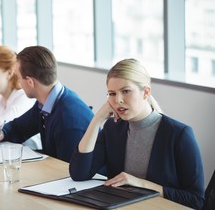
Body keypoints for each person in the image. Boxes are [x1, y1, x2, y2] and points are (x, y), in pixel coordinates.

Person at [69, 58, 205, 209]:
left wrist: (140, 183)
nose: (118, 100)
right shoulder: (113, 128)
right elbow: (79, 174)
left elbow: (196, 200)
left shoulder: (179, 135)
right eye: (112, 94)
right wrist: (96, 121)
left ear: (146, 92)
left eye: (125, 91)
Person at [0, 46, 94, 162]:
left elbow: (68, 171)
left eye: (18, 77)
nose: (18, 83)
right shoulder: (45, 103)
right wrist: (2, 132)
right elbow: (19, 128)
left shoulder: (68, 119)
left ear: (30, 82)